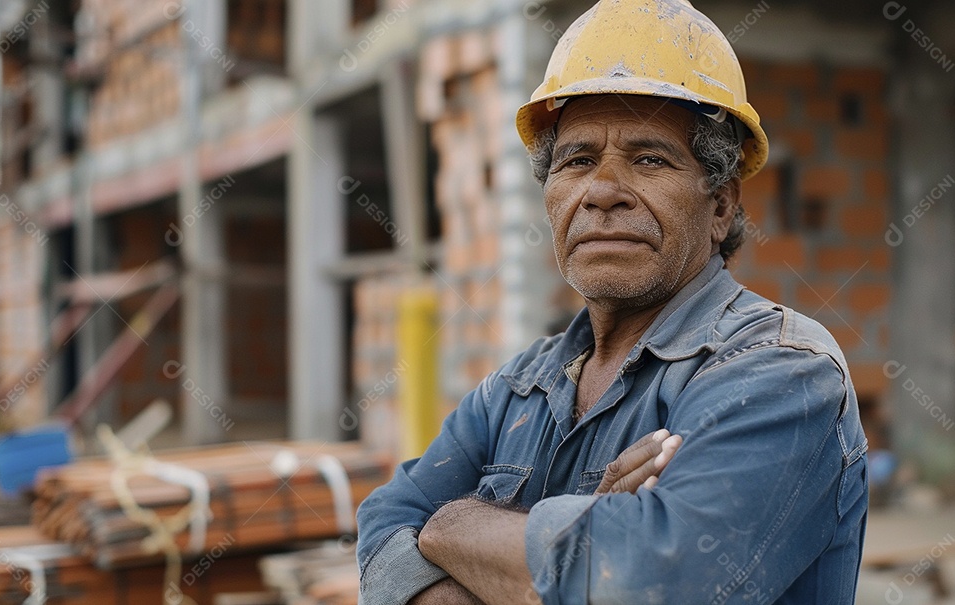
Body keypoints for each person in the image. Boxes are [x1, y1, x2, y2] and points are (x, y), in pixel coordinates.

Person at [356, 0, 868, 603]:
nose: (602, 192)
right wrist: (582, 541)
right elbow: (385, 524)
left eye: (649, 159)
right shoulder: (516, 391)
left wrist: (451, 525)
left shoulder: (781, 373)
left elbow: (650, 583)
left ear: (721, 205)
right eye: (577, 161)